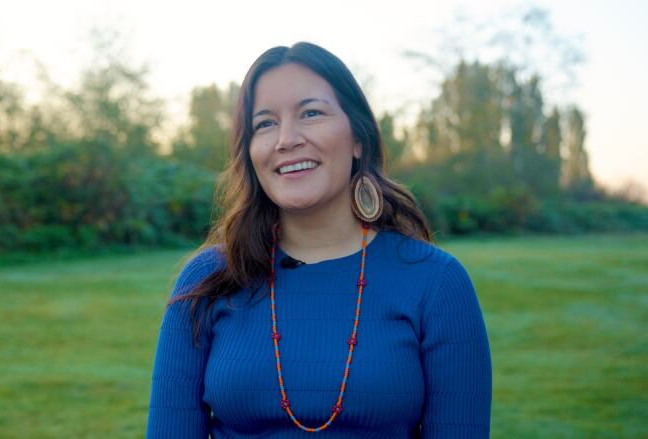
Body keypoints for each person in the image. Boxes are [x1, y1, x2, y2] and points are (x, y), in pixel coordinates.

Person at [146, 42, 491, 438]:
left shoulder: (436, 282)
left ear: (359, 138)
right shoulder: (207, 280)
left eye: (311, 113)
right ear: (251, 152)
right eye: (265, 123)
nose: (286, 139)